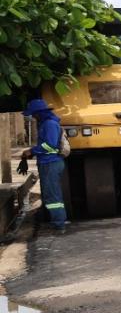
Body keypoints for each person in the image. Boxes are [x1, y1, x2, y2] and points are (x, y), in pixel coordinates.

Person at [21, 98, 67, 233]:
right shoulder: (47, 123)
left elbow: (50, 145)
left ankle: (59, 225)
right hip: (49, 163)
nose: (33, 117)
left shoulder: (49, 124)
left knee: (52, 196)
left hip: (50, 163)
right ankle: (58, 222)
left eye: (33, 114)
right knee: (52, 194)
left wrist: (32, 151)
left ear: (39, 113)